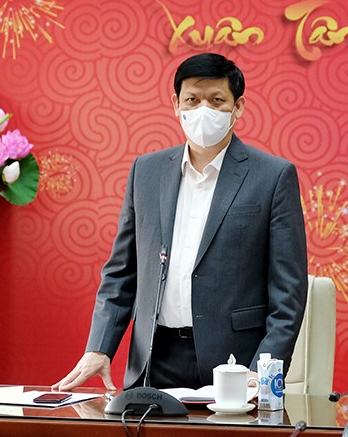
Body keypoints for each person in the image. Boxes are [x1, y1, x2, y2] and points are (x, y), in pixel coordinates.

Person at [54, 53, 308, 391]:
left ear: (238, 107)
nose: (203, 110)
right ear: (176, 104)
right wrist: (99, 348)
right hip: (155, 358)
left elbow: (289, 290)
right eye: (192, 100)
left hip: (237, 364)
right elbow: (121, 272)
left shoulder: (273, 176)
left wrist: (263, 368)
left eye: (216, 100)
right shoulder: (146, 171)